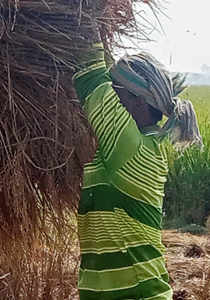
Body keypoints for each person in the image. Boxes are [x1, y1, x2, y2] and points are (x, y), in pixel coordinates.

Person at [73, 42, 203, 300]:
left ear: (138, 104)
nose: (112, 98)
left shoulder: (129, 146)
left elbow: (89, 75)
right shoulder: (139, 145)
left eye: (116, 93)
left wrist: (86, 7)